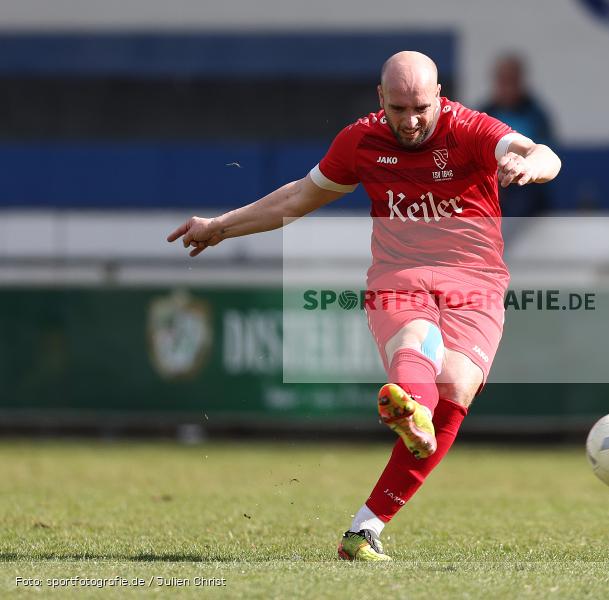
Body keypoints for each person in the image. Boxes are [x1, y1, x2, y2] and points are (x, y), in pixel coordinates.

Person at [167, 50, 561, 561]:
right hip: (399, 277)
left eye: (421, 107)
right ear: (381, 99)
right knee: (414, 339)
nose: (412, 120)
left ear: (439, 96)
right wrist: (220, 226)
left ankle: (364, 529)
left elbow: (545, 153)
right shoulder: (361, 140)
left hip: (476, 283)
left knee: (456, 393)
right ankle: (409, 404)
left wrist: (527, 164)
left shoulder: (470, 129)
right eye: (399, 109)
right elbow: (293, 200)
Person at [480, 53, 555, 220]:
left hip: (527, 186)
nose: (507, 87)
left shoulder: (536, 115)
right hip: (493, 183)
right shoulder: (484, 114)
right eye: (502, 81)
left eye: (511, 81)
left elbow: (547, 152)